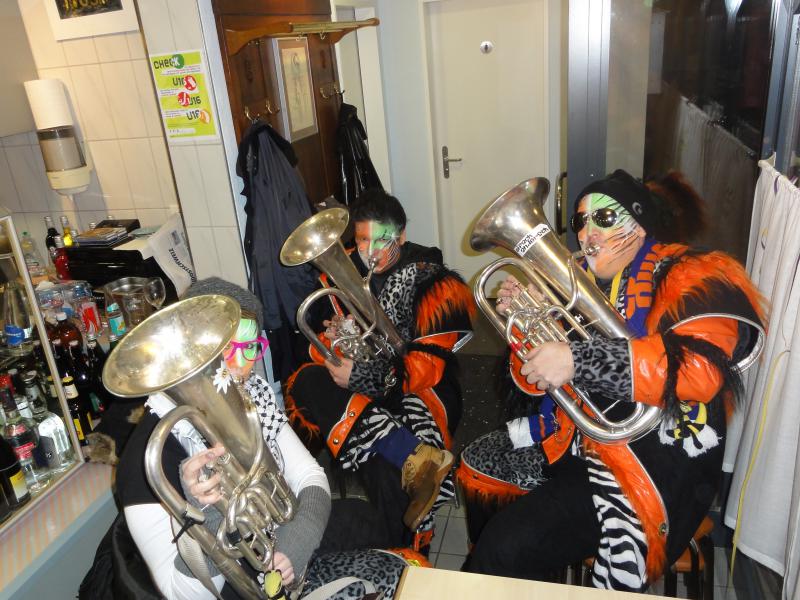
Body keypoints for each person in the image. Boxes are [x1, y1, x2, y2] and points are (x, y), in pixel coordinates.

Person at [462, 170, 766, 592]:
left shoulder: (694, 275)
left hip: (656, 471)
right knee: (500, 537)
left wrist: (578, 358)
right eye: (580, 221)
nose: (586, 233)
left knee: (504, 546)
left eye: (603, 219)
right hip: (587, 450)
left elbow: (698, 371)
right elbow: (540, 384)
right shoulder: (578, 285)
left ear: (639, 225)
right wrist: (527, 326)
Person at [116, 278, 420, 599]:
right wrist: (207, 512)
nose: (239, 365)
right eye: (223, 348)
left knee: (376, 524)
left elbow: (309, 476)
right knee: (392, 577)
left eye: (249, 346)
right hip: (242, 587)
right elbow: (187, 596)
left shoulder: (251, 396)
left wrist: (295, 544)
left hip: (282, 547)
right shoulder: (146, 460)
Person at [285, 189, 475, 548]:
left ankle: (405, 551)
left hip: (422, 393)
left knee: (385, 468)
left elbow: (428, 369)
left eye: (381, 240)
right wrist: (332, 340)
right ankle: (412, 456)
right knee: (307, 380)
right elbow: (307, 347)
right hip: (363, 396)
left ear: (401, 236)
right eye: (361, 239)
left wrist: (360, 375)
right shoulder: (340, 277)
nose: (369, 251)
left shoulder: (437, 283)